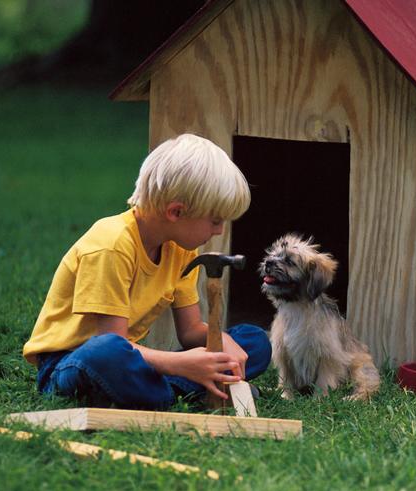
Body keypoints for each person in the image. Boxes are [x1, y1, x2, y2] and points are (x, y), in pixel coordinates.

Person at [22, 133, 270, 409]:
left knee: (254, 341)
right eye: (214, 220)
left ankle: (164, 389)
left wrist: (222, 342)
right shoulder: (111, 246)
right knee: (109, 354)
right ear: (176, 212)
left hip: (131, 360)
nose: (220, 230)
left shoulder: (183, 249)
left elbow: (190, 331)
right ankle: (179, 392)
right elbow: (111, 343)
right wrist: (181, 364)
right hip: (72, 363)